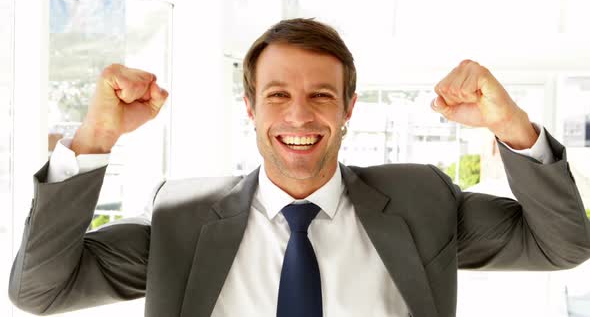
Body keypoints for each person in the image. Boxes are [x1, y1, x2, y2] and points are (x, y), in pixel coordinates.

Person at [8, 18, 590, 317]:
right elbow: (40, 290)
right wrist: (95, 138)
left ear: (348, 109)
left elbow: (561, 245)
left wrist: (511, 125)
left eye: (321, 96)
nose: (299, 115)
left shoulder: (420, 200)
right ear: (251, 107)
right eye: (278, 94)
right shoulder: (182, 216)